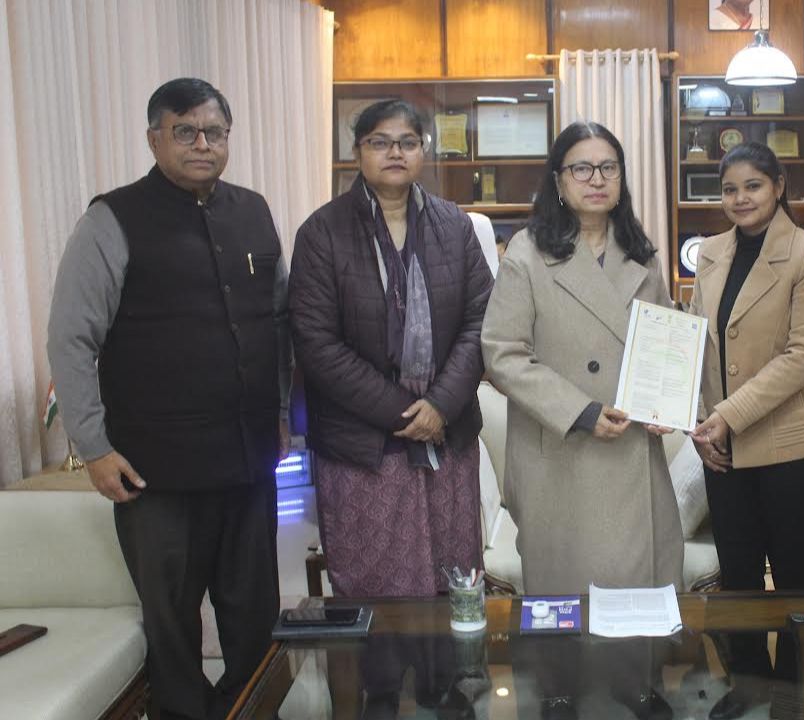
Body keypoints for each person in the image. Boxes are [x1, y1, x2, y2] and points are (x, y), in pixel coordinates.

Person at [47, 77, 289, 720]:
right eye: (185, 132)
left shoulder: (253, 210)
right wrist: (93, 446)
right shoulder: (112, 219)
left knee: (255, 617)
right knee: (173, 627)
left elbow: (276, 322)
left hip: (247, 462)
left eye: (214, 132)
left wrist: (281, 414)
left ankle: (251, 711)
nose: (202, 144)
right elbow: (71, 338)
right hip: (155, 473)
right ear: (154, 139)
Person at [481, 121, 681, 720]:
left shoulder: (642, 256)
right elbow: (503, 354)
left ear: (621, 179)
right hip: (561, 446)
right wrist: (582, 411)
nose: (597, 180)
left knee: (636, 573)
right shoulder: (526, 253)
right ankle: (558, 686)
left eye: (608, 168)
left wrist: (666, 404)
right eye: (582, 168)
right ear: (559, 181)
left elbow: (664, 344)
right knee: (559, 578)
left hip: (630, 446)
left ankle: (635, 681)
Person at [290, 99, 493, 599]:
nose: (395, 152)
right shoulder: (322, 233)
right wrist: (405, 413)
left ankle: (449, 656)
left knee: (453, 583)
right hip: (363, 448)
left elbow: (482, 322)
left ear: (423, 150)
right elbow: (317, 343)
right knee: (377, 588)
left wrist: (440, 405)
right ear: (357, 152)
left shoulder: (455, 226)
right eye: (379, 142)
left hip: (446, 437)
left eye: (407, 142)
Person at [688, 142, 804, 720]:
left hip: (789, 443)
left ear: (778, 186)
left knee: (794, 574)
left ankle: (792, 690)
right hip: (722, 443)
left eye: (752, 186)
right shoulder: (710, 252)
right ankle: (750, 681)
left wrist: (727, 415)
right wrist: (699, 423)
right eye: (729, 189)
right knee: (737, 573)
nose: (740, 199)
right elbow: (698, 341)